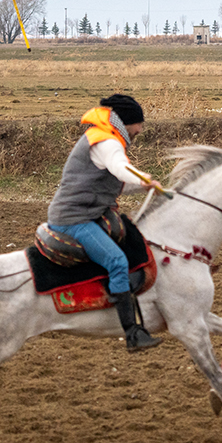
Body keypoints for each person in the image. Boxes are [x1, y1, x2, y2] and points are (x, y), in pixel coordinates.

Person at [47, 94, 164, 352]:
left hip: (86, 214)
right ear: (128, 122)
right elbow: (122, 168)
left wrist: (143, 187)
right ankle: (132, 333)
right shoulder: (107, 141)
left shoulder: (105, 137)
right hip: (73, 219)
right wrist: (144, 179)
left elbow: (118, 179)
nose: (141, 130)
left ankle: (116, 292)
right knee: (117, 261)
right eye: (139, 125)